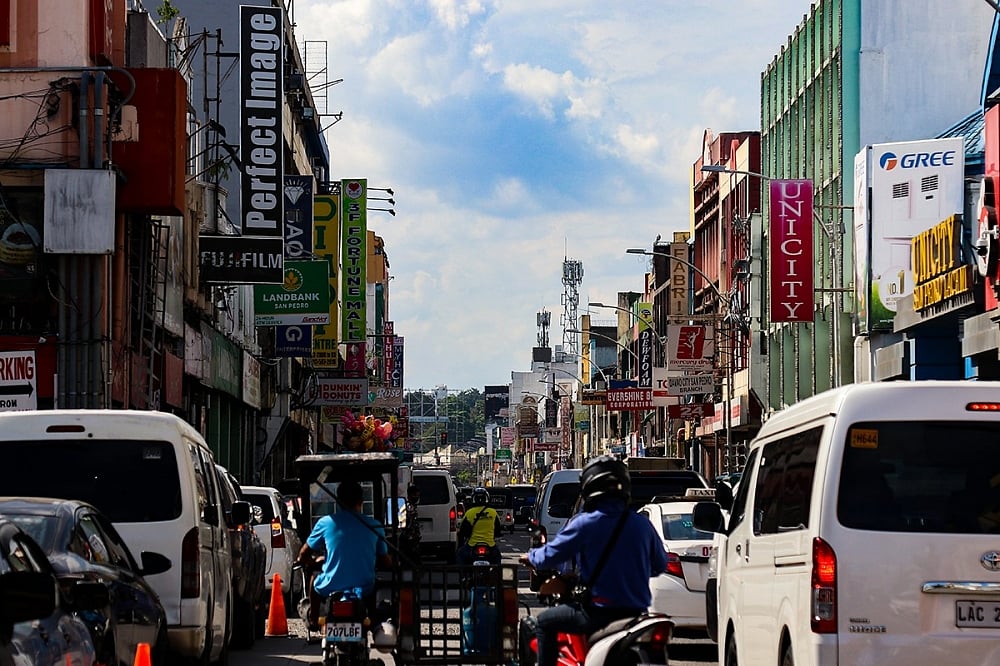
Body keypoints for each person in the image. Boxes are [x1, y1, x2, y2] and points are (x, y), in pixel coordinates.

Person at [519, 456, 668, 666]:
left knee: (544, 623)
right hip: (636, 612)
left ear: (589, 486)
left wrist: (530, 557)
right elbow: (659, 565)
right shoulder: (642, 524)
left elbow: (550, 556)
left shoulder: (584, 523)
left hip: (598, 613)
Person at [296, 479, 392, 629]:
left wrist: (313, 562)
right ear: (361, 501)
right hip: (364, 587)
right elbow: (386, 562)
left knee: (314, 578)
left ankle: (314, 620)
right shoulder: (374, 526)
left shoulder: (325, 523)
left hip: (330, 585)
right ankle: (373, 621)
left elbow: (303, 554)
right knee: (376, 589)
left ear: (338, 501)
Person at [456, 487, 501, 565]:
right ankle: (496, 576)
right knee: (497, 560)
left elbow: (463, 531)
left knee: (460, 555)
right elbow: (498, 529)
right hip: (490, 544)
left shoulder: (469, 513)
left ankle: (463, 576)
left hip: (472, 544)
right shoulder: (493, 512)